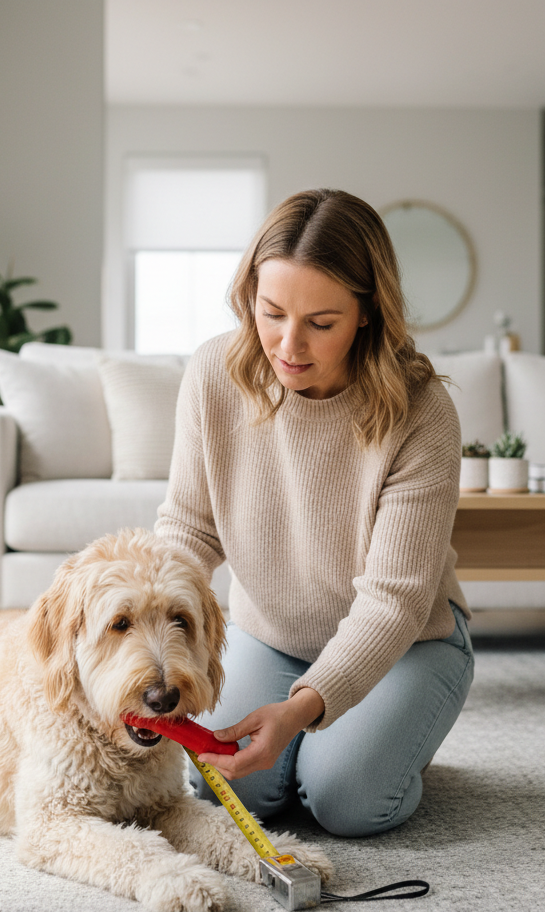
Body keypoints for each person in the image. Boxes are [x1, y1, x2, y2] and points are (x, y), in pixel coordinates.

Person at [154, 188, 474, 838]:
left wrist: (299, 711)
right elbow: (189, 529)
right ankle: (333, 740)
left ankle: (376, 743)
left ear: (366, 313)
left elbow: (394, 602)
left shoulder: (422, 412)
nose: (288, 344)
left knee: (345, 802)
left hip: (409, 644)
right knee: (228, 790)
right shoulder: (215, 372)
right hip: (270, 633)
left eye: (320, 323)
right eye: (271, 313)